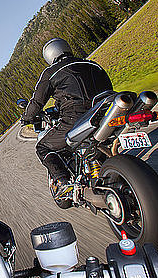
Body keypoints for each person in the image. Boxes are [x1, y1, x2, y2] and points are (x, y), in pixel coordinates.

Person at [21, 38, 112, 190]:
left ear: (50, 56)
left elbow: (37, 101)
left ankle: (63, 182)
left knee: (43, 147)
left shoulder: (51, 72)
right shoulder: (91, 64)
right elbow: (107, 86)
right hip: (105, 110)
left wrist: (27, 118)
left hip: (76, 117)